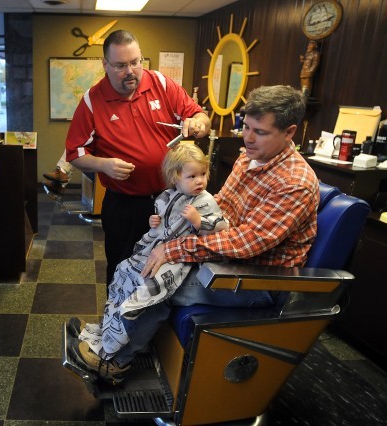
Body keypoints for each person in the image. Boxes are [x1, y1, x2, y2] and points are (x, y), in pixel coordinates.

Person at [71, 85, 319, 382]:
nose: (248, 138)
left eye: (260, 132)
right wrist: (170, 234)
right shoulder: (249, 158)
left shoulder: (294, 183)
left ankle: (114, 363)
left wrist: (174, 249)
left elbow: (246, 243)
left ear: (289, 132)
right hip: (223, 260)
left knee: (159, 286)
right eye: (247, 127)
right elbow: (220, 208)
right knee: (134, 266)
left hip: (255, 279)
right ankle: (109, 335)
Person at [64, 29, 211, 287]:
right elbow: (75, 152)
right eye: (120, 65)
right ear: (105, 65)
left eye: (135, 62)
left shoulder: (162, 84)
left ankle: (155, 327)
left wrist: (197, 123)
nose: (130, 71)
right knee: (122, 267)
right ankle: (116, 324)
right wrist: (103, 165)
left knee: (168, 270)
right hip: (124, 206)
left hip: (171, 199)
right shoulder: (92, 100)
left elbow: (201, 116)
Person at [78, 143, 227, 367]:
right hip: (161, 249)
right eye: (192, 176)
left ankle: (117, 354)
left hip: (183, 258)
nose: (200, 181)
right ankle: (109, 332)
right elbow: (162, 224)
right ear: (175, 177)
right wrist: (154, 222)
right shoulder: (167, 196)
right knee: (123, 271)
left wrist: (199, 222)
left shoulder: (205, 201)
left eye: (203, 174)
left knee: (146, 287)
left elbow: (219, 229)